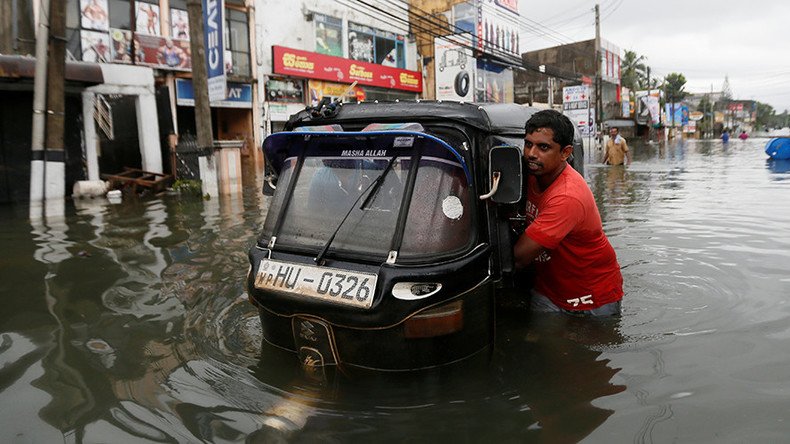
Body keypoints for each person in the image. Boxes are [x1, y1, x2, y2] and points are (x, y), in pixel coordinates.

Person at [514, 109, 624, 317]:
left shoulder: (567, 196)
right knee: (543, 345)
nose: (531, 154)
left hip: (592, 295)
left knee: (589, 346)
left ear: (565, 153)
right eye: (528, 144)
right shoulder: (531, 173)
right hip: (549, 289)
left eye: (543, 147)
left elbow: (519, 258)